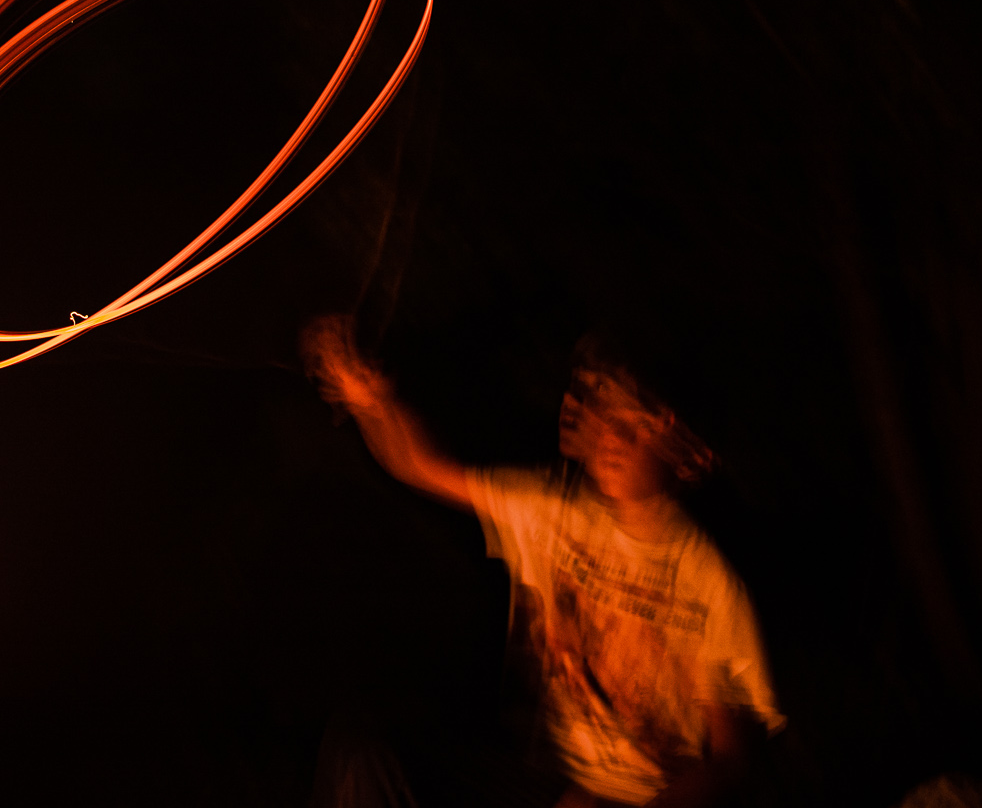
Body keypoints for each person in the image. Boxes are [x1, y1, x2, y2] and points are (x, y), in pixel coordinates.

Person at [301, 315, 783, 808]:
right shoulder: (551, 513)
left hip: (643, 798)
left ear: (670, 434)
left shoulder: (705, 580)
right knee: (363, 744)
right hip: (546, 784)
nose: (609, 434)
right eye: (601, 409)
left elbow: (730, 759)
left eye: (629, 421)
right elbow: (419, 465)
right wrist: (370, 401)